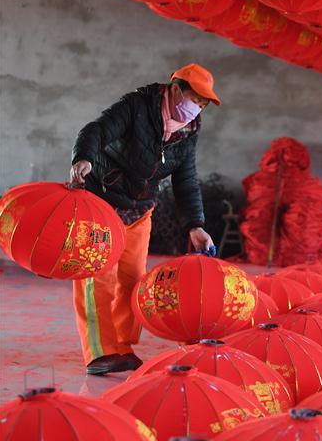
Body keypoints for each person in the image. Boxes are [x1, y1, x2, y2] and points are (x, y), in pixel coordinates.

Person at [69, 63, 219, 375]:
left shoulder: (189, 129)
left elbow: (185, 178)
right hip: (102, 204)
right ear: (175, 89)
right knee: (98, 278)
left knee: (133, 279)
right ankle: (99, 352)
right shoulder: (138, 106)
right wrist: (83, 157)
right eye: (194, 100)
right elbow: (96, 130)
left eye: (203, 104)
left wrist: (195, 225)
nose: (196, 108)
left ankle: (122, 345)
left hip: (139, 211)